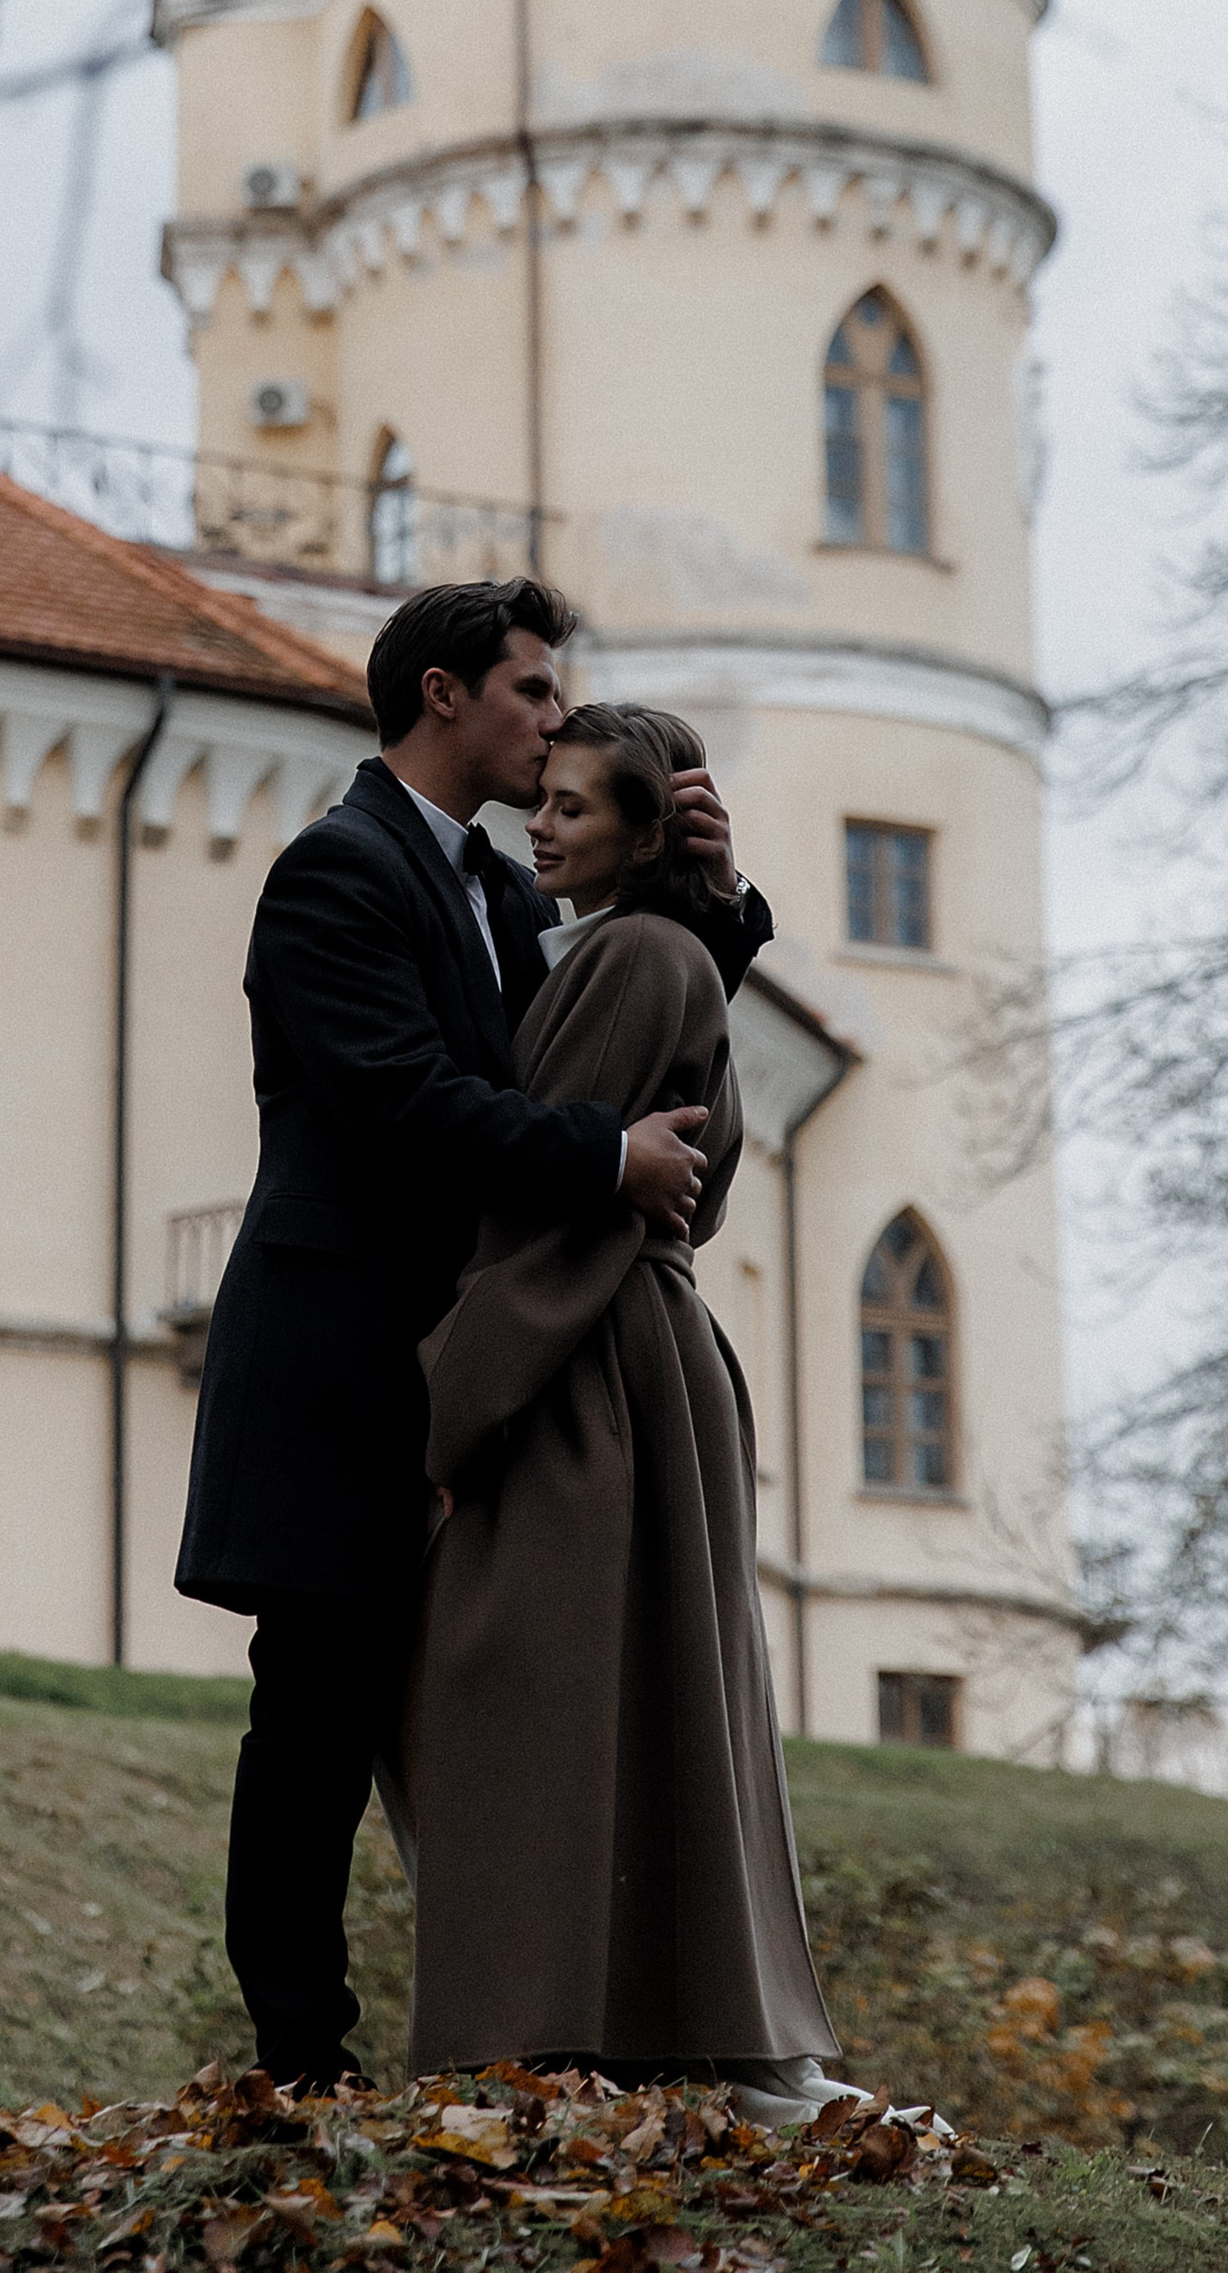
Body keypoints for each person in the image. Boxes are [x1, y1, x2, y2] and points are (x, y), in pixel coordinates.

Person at [176, 578, 775, 2093]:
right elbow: (404, 1102)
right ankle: (301, 2062)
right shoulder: (337, 872)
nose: (554, 722)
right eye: (531, 694)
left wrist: (700, 893)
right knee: (315, 1712)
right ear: (443, 694)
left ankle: (545, 2018)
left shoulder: (506, 895)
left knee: (463, 1706)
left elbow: (615, 1028)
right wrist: (603, 1164)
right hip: (332, 1359)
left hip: (462, 1358)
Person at [400, 701, 843, 2113]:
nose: (543, 822)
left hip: (587, 1371)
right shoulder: (649, 954)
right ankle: (679, 2037)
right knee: (644, 1710)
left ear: (646, 834)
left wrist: (450, 1414)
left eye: (577, 808)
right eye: (548, 799)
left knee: (528, 1700)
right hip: (637, 1368)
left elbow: (548, 1218)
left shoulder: (637, 957)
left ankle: (553, 2038)